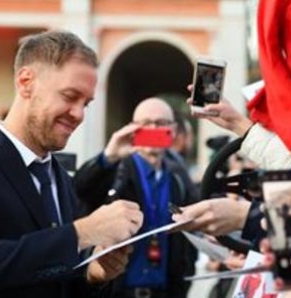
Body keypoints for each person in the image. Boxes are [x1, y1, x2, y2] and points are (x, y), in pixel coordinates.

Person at [0, 31, 143, 298]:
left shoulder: (59, 177)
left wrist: (92, 274)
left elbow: (52, 277)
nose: (79, 114)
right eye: (69, 96)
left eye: (86, 103)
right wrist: (82, 232)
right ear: (26, 82)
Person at [74, 98, 198, 298]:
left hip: (167, 292)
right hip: (119, 291)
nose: (153, 128)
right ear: (132, 128)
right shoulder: (115, 170)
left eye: (161, 123)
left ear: (173, 131)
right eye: (145, 123)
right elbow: (80, 190)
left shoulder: (179, 179)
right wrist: (109, 156)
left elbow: (191, 230)